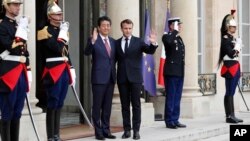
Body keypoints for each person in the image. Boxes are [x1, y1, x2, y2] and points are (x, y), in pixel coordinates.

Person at [37, 0, 76, 140]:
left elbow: (66, 52)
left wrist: (71, 68)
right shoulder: (44, 31)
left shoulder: (62, 31)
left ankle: (56, 134)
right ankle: (50, 135)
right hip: (52, 70)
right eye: (57, 15)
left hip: (64, 69)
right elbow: (56, 47)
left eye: (61, 15)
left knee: (60, 102)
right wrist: (63, 33)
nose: (60, 17)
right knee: (52, 102)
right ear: (50, 17)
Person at [116, 19, 158, 140]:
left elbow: (149, 50)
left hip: (135, 78)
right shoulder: (117, 43)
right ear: (122, 29)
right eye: (125, 28)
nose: (128, 30)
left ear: (132, 29)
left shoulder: (138, 41)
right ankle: (127, 130)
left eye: (130, 28)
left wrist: (153, 43)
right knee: (124, 106)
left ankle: (136, 131)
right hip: (122, 78)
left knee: (136, 105)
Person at [0, 0, 32, 140]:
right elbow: (9, 45)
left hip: (20, 72)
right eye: (15, 4)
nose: (18, 7)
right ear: (6, 6)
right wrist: (20, 33)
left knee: (17, 111)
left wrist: (28, 69)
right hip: (8, 73)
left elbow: (25, 51)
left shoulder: (18, 25)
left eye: (19, 5)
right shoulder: (2, 25)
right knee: (7, 111)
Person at [84, 16, 116, 140]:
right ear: (99, 27)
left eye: (108, 25)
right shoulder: (93, 39)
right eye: (103, 25)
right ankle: (98, 132)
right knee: (97, 106)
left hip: (111, 78)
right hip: (98, 78)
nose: (106, 27)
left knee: (107, 106)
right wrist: (93, 41)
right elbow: (86, 52)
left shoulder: (113, 41)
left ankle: (106, 130)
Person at [218, 11, 243, 123]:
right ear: (228, 27)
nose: (235, 29)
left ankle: (231, 114)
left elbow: (235, 55)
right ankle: (229, 115)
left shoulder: (231, 38)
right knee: (229, 91)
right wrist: (237, 46)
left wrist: (236, 46)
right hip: (230, 68)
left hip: (235, 66)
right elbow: (232, 54)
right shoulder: (225, 39)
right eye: (233, 27)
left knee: (231, 91)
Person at [162, 17, 186, 129]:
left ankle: (175, 119)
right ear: (171, 25)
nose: (179, 26)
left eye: (179, 25)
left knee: (177, 97)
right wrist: (174, 31)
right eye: (177, 24)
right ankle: (169, 120)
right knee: (171, 96)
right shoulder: (167, 36)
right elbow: (168, 42)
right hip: (171, 72)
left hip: (179, 72)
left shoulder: (179, 38)